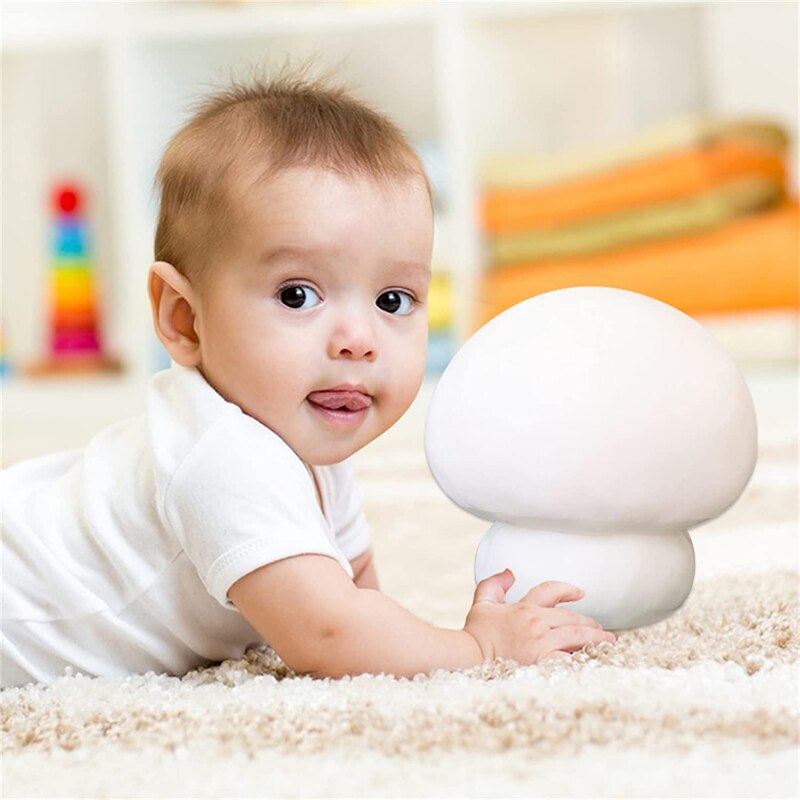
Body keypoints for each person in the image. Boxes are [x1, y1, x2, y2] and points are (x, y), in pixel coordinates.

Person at [0, 66, 616, 689]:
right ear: (184, 317)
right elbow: (328, 635)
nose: (358, 339)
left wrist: (406, 643)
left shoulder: (301, 438)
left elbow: (352, 597)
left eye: (393, 300)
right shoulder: (226, 457)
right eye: (298, 295)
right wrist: (477, 649)